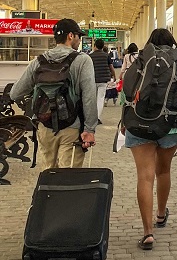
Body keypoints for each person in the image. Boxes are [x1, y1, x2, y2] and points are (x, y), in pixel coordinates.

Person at [122, 28, 177, 251]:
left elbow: (126, 91)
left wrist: (124, 121)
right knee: (164, 171)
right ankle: (160, 215)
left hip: (139, 124)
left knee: (145, 177)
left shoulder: (141, 59)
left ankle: (148, 233)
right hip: (169, 126)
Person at [10, 18, 97, 170]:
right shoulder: (83, 60)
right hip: (72, 127)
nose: (79, 39)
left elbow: (15, 93)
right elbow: (89, 97)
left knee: (48, 175)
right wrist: (89, 130)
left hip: (44, 126)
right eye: (78, 35)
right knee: (68, 178)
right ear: (71, 36)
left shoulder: (39, 61)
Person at [89, 38, 115, 123]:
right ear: (103, 46)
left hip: (92, 80)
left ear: (95, 46)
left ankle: (91, 117)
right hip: (103, 80)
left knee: (92, 99)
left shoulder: (90, 56)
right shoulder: (106, 55)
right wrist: (114, 76)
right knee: (100, 99)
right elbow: (111, 67)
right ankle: (97, 118)